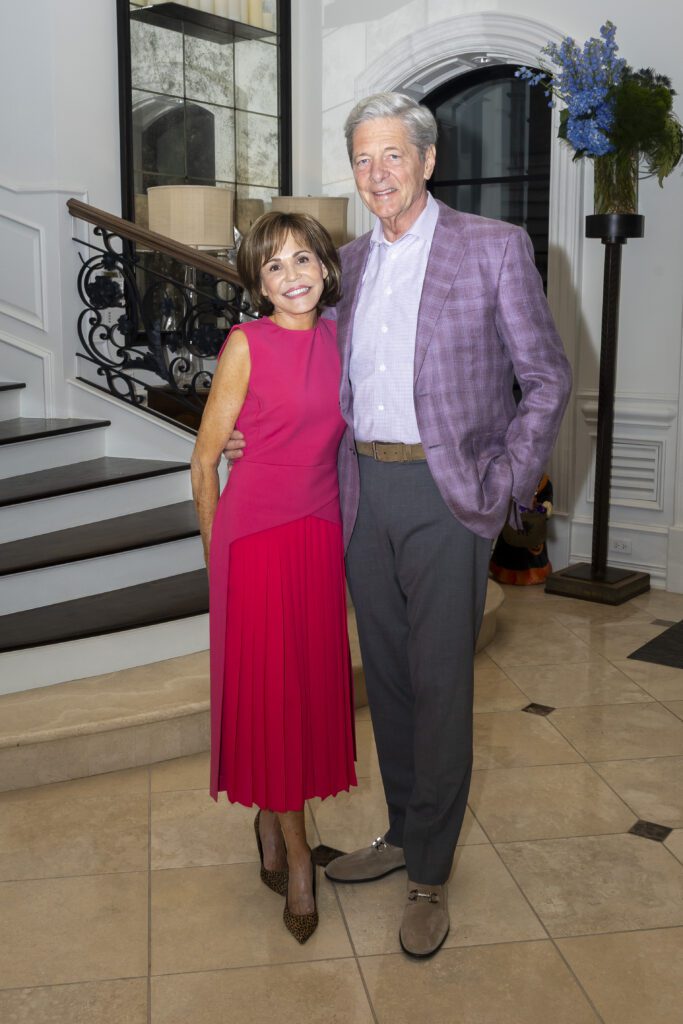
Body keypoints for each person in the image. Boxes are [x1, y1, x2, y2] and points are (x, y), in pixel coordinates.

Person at [227, 92, 572, 958]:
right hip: (357, 493)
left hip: (447, 495)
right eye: (362, 158)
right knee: (384, 679)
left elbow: (545, 378)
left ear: (426, 160)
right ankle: (402, 830)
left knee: (438, 684)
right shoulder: (343, 264)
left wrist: (502, 483)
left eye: (392, 155)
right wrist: (250, 428)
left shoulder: (492, 246)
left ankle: (430, 871)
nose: (377, 173)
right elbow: (308, 369)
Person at [191, 211, 357, 945]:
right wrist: (216, 559)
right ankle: (297, 857)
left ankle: (270, 817)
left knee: (302, 693)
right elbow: (203, 461)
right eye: (274, 266)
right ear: (259, 285)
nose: (292, 276)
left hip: (318, 534)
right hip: (254, 541)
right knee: (274, 693)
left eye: (302, 259)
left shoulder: (342, 340)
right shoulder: (246, 344)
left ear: (325, 265)